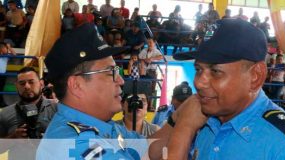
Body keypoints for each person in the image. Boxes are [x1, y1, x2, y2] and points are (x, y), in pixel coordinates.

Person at [167, 18, 285, 159]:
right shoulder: (206, 123)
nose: (199, 82)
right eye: (199, 70)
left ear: (255, 76)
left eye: (215, 71)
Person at [37, 23, 198, 160]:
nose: (120, 80)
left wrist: (178, 117)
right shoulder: (77, 144)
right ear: (77, 85)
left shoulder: (103, 126)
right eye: (110, 72)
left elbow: (148, 147)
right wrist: (187, 126)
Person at [0, 66, 57, 138]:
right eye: (22, 83)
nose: (27, 86)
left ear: (41, 84)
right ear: (16, 86)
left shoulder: (58, 109)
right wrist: (13, 137)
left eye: (31, 82)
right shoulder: (5, 114)